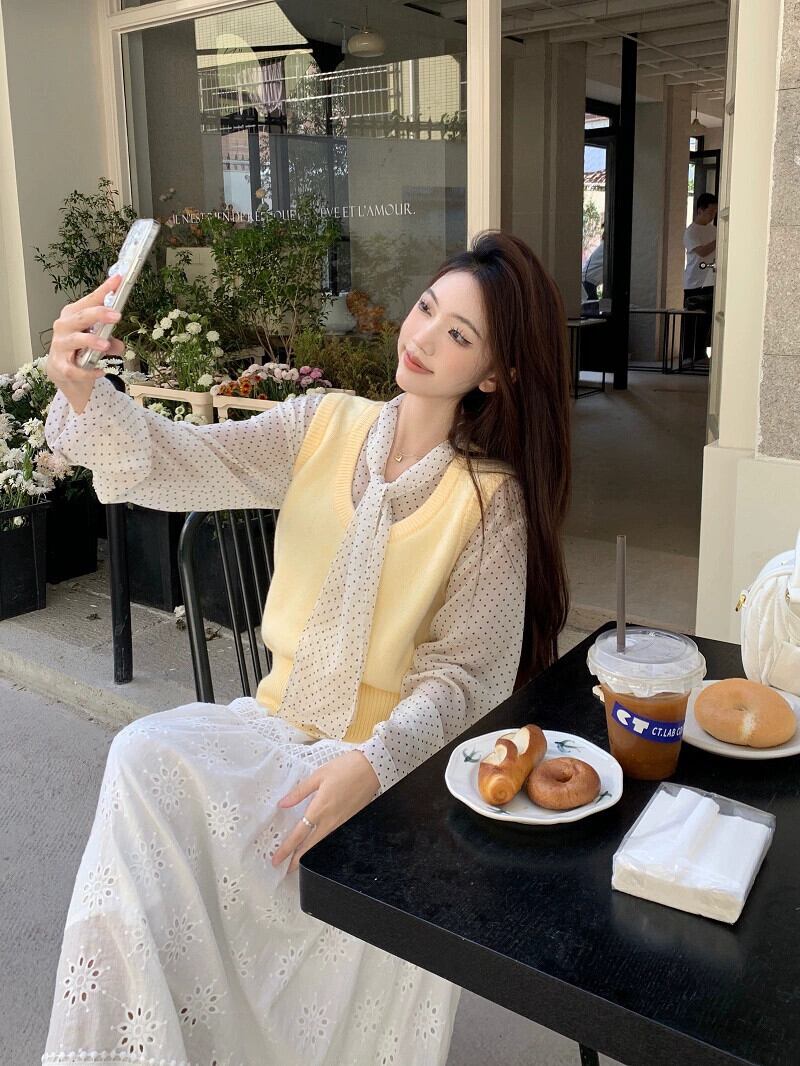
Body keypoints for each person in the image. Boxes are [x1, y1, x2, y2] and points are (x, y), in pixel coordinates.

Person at [40, 230, 572, 1066]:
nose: (424, 338)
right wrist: (86, 394)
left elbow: (465, 679)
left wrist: (374, 763)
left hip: (390, 773)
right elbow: (180, 461)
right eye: (426, 308)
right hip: (273, 731)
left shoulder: (487, 502)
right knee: (141, 757)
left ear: (494, 374)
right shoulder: (321, 425)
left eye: (459, 335)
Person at [683, 192, 718, 365]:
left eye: (714, 213)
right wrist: (719, 240)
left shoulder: (714, 230)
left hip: (711, 280)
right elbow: (702, 252)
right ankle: (688, 356)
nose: (712, 216)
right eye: (710, 212)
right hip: (693, 283)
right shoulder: (691, 232)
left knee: (706, 321)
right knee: (691, 321)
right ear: (700, 210)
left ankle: (701, 354)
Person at [582, 229, 604, 302]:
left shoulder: (604, 246)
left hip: (589, 281)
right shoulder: (606, 247)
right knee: (592, 306)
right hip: (588, 281)